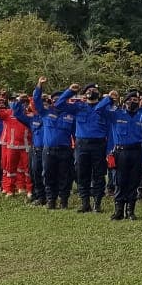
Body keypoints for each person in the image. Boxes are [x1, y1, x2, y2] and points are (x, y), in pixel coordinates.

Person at [55, 83, 111, 213]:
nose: (91, 91)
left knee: (99, 175)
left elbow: (110, 130)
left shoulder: (104, 109)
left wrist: (109, 149)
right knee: (82, 174)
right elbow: (58, 105)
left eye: (94, 90)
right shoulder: (78, 107)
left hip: (99, 144)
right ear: (84, 94)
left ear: (99, 93)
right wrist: (69, 91)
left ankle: (97, 203)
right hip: (82, 145)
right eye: (89, 90)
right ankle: (85, 203)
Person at [102, 90, 142, 221]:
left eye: (135, 100)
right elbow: (98, 110)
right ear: (125, 101)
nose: (132, 102)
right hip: (120, 152)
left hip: (136, 152)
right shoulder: (116, 114)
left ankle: (130, 210)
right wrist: (110, 99)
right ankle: (118, 210)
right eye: (130, 99)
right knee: (120, 181)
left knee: (134, 182)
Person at [33, 80, 74, 209]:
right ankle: (51, 200)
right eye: (55, 99)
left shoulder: (71, 115)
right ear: (52, 101)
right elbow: (36, 99)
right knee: (48, 175)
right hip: (49, 151)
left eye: (60, 99)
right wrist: (40, 85)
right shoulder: (45, 112)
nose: (58, 102)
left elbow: (75, 135)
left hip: (65, 151)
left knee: (65, 176)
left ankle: (64, 201)